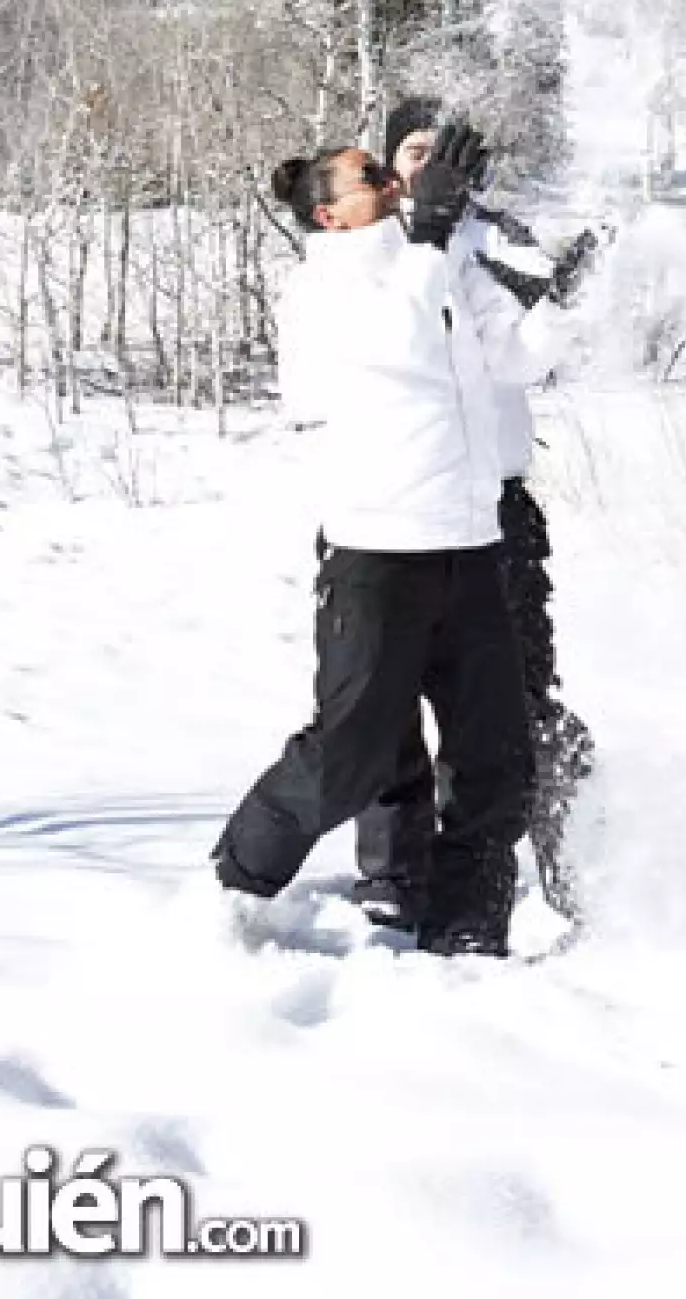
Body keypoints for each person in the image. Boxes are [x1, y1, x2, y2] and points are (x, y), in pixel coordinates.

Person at [212, 124, 562, 958]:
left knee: (496, 762)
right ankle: (237, 882)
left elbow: (517, 360)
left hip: (471, 544)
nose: (388, 178)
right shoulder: (320, 289)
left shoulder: (436, 263)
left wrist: (564, 300)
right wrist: (431, 235)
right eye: (367, 174)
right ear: (330, 215)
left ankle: (467, 933)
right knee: (352, 757)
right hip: (378, 553)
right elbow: (394, 347)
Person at [351, 96, 596, 925]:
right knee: (385, 697)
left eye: (443, 150)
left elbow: (519, 359)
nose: (431, 165)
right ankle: (394, 874)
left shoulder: (495, 241)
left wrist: (566, 298)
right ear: (390, 166)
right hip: (397, 505)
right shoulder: (368, 248)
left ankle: (559, 858)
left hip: (495, 509)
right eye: (414, 151)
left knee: (518, 695)